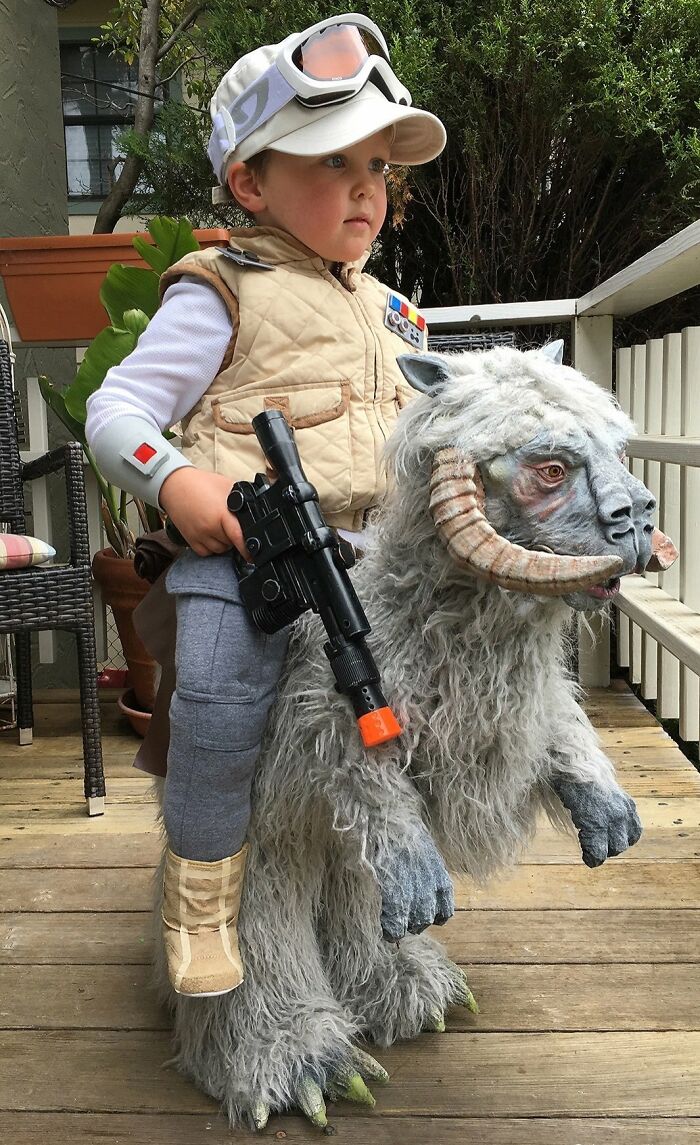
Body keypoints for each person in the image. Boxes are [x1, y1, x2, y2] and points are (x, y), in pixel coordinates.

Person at [86, 12, 446, 999]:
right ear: (251, 182)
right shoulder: (220, 291)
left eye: (379, 166)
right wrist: (180, 480)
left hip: (373, 555)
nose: (367, 188)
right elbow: (118, 408)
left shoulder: (388, 309)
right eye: (335, 163)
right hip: (243, 550)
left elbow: (446, 435)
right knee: (217, 697)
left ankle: (374, 892)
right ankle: (200, 891)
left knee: (440, 697)